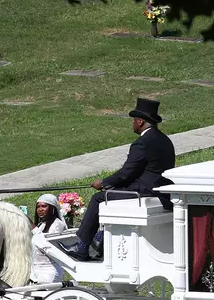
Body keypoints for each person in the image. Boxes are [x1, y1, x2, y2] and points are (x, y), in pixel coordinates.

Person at [58, 97, 175, 261]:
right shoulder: (165, 140)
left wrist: (104, 183)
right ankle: (100, 238)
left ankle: (82, 246)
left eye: (134, 120)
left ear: (140, 121)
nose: (132, 123)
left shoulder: (142, 143)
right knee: (113, 192)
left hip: (146, 193)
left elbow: (126, 173)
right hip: (161, 193)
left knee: (100, 198)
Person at [23, 194, 68, 300]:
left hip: (50, 271)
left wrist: (32, 227)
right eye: (38, 206)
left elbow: (47, 245)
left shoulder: (58, 225)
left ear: (52, 208)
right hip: (36, 270)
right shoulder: (42, 225)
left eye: (44, 206)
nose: (40, 210)